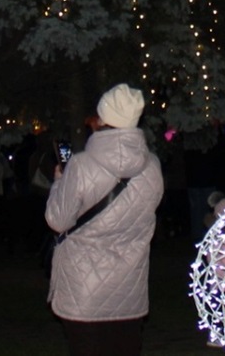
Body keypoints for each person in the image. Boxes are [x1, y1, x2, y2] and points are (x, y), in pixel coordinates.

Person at [44, 83, 163, 355]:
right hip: (129, 291)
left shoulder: (80, 165)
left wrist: (58, 183)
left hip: (84, 292)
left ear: (103, 117)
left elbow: (57, 220)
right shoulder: (153, 167)